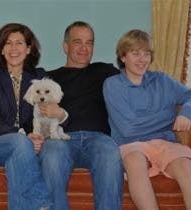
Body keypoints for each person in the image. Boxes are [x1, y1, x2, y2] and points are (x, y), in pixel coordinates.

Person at [103, 29, 191, 210]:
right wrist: (170, 115)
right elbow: (129, 128)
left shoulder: (162, 81)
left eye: (146, 54)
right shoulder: (113, 84)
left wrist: (187, 111)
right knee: (135, 163)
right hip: (131, 143)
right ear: (123, 57)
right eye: (135, 53)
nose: (142, 59)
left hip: (164, 141)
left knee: (186, 165)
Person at [38, 21, 124, 210]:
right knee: (51, 155)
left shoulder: (105, 71)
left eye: (90, 43)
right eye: (78, 42)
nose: (84, 48)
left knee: (110, 154)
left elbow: (137, 79)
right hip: (61, 139)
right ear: (65, 46)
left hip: (98, 139)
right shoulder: (48, 78)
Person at [0, 23, 51, 210]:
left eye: (19, 43)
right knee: (20, 144)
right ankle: (41, 200)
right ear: (1, 49)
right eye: (8, 43)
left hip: (28, 143)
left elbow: (45, 113)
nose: (13, 48)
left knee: (16, 163)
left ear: (28, 49)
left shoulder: (39, 76)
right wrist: (24, 136)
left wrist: (35, 135)